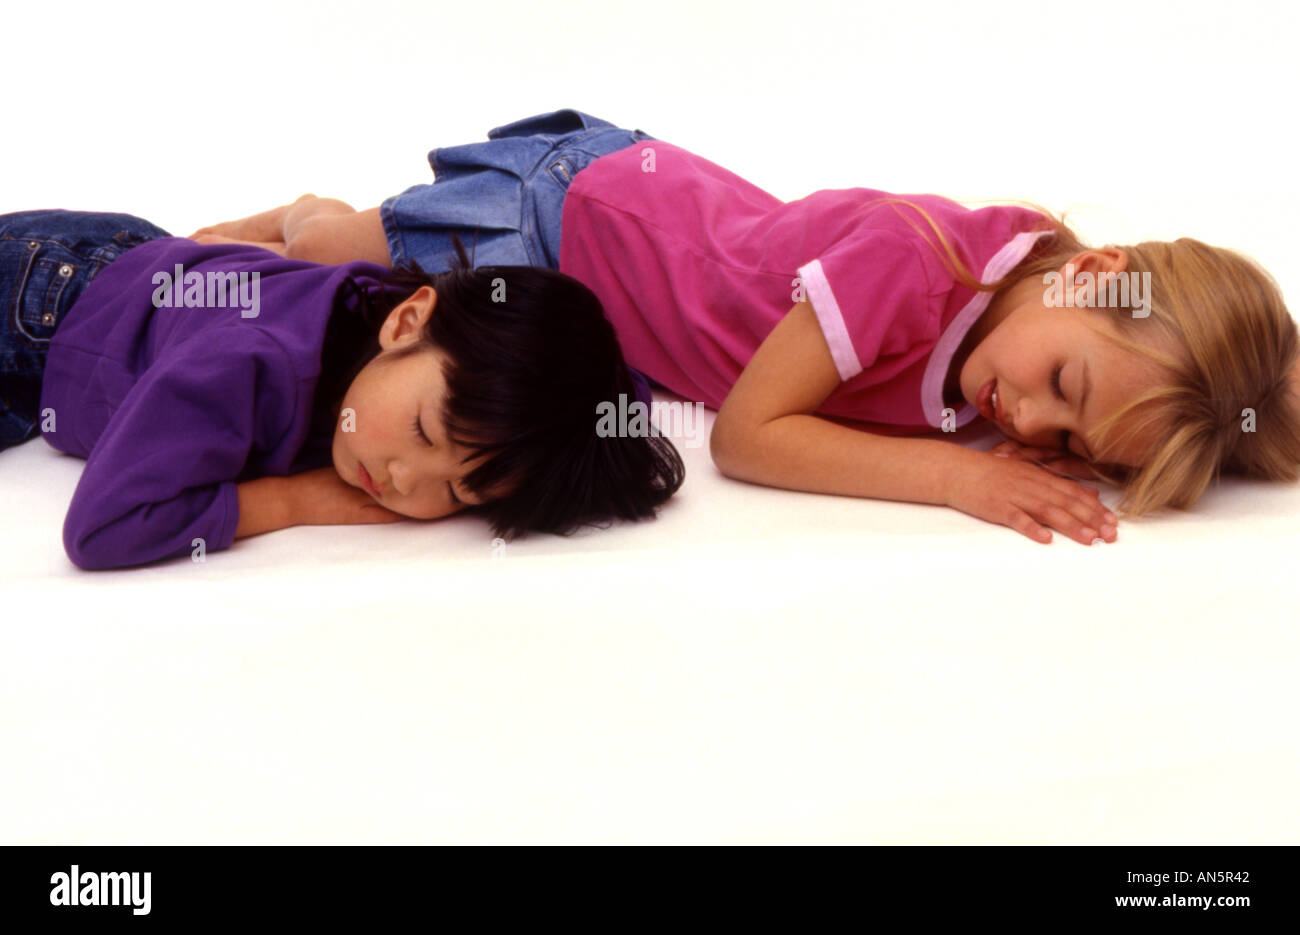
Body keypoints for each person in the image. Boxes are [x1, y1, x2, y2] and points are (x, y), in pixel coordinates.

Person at [190, 108, 1300, 546]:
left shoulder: (1027, 333)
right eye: (1063, 384)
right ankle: (304, 211)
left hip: (590, 313)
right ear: (1095, 275)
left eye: (1067, 440)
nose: (1027, 420)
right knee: (319, 269)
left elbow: (1226, 395)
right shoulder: (913, 262)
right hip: (565, 217)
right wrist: (957, 479)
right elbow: (748, 436)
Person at [0, 209, 683, 570]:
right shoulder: (243, 367)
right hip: (39, 308)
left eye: (457, 492)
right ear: (406, 321)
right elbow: (100, 531)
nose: (403, 480)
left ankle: (292, 220)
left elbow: (600, 388)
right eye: (422, 433)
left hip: (136, 271)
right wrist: (288, 501)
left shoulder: (402, 354)